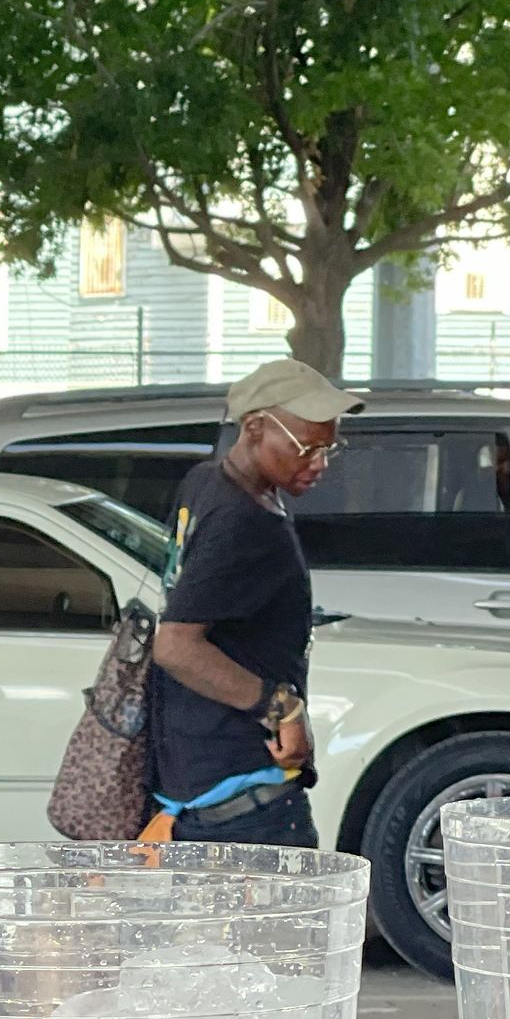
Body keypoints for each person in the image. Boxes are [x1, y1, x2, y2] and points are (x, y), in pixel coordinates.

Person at [147, 357, 360, 847]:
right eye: (306, 448)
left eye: (329, 449)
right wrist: (282, 707)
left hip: (202, 778)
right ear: (255, 427)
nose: (320, 464)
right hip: (245, 798)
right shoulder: (244, 520)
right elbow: (175, 645)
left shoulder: (207, 482)